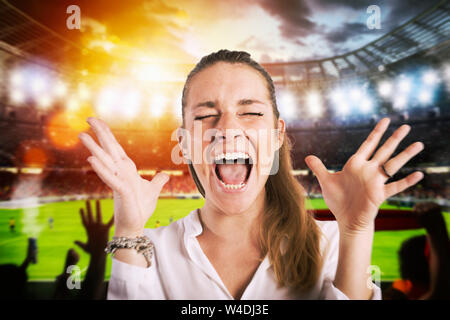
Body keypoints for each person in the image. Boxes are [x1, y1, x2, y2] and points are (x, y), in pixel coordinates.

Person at [79, 49, 425, 300]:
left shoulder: (332, 243)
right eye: (204, 116)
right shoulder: (145, 250)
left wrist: (357, 231)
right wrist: (128, 229)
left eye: (250, 112)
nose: (227, 129)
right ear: (183, 144)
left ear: (277, 136)